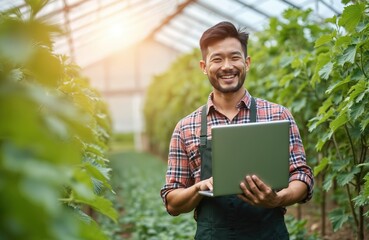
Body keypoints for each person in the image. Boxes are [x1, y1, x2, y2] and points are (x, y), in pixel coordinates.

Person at [160, 21, 314, 239]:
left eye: (234, 57)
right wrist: (198, 188)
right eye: (217, 59)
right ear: (204, 67)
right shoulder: (185, 127)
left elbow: (302, 176)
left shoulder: (278, 115)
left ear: (247, 63)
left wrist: (278, 199)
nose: (227, 66)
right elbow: (172, 202)